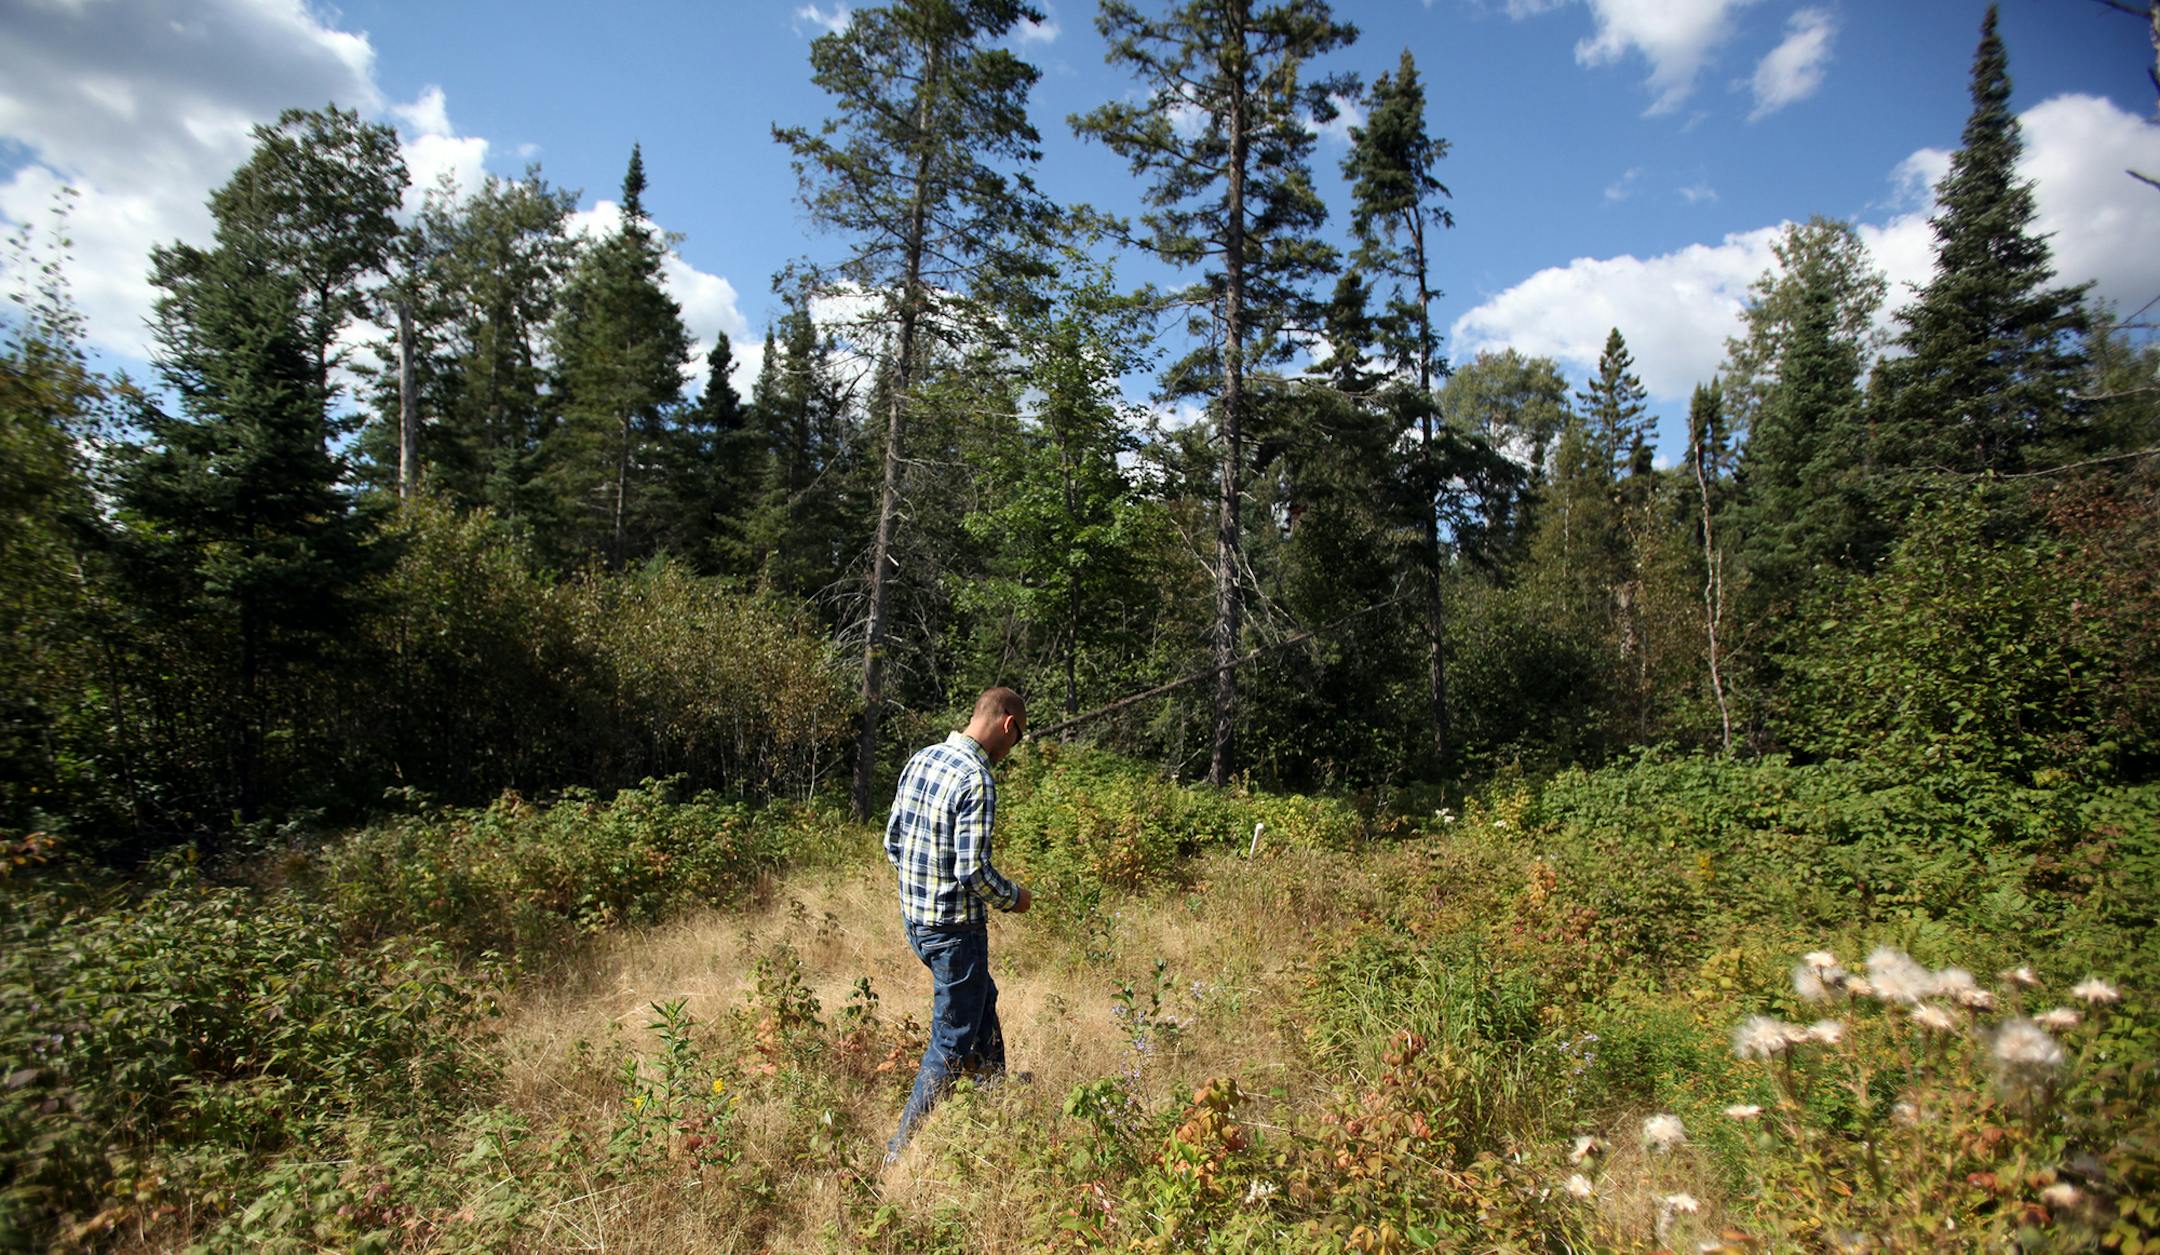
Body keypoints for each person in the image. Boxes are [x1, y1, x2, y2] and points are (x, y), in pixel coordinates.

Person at [882, 686, 1034, 1161]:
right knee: (950, 1037)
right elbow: (973, 872)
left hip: (917, 924)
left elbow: (892, 842)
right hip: (954, 933)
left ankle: (993, 1091)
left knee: (980, 998)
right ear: (1007, 725)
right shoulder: (977, 778)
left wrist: (919, 895)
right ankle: (901, 1150)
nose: (1013, 749)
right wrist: (1015, 898)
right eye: (1019, 737)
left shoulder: (922, 759)